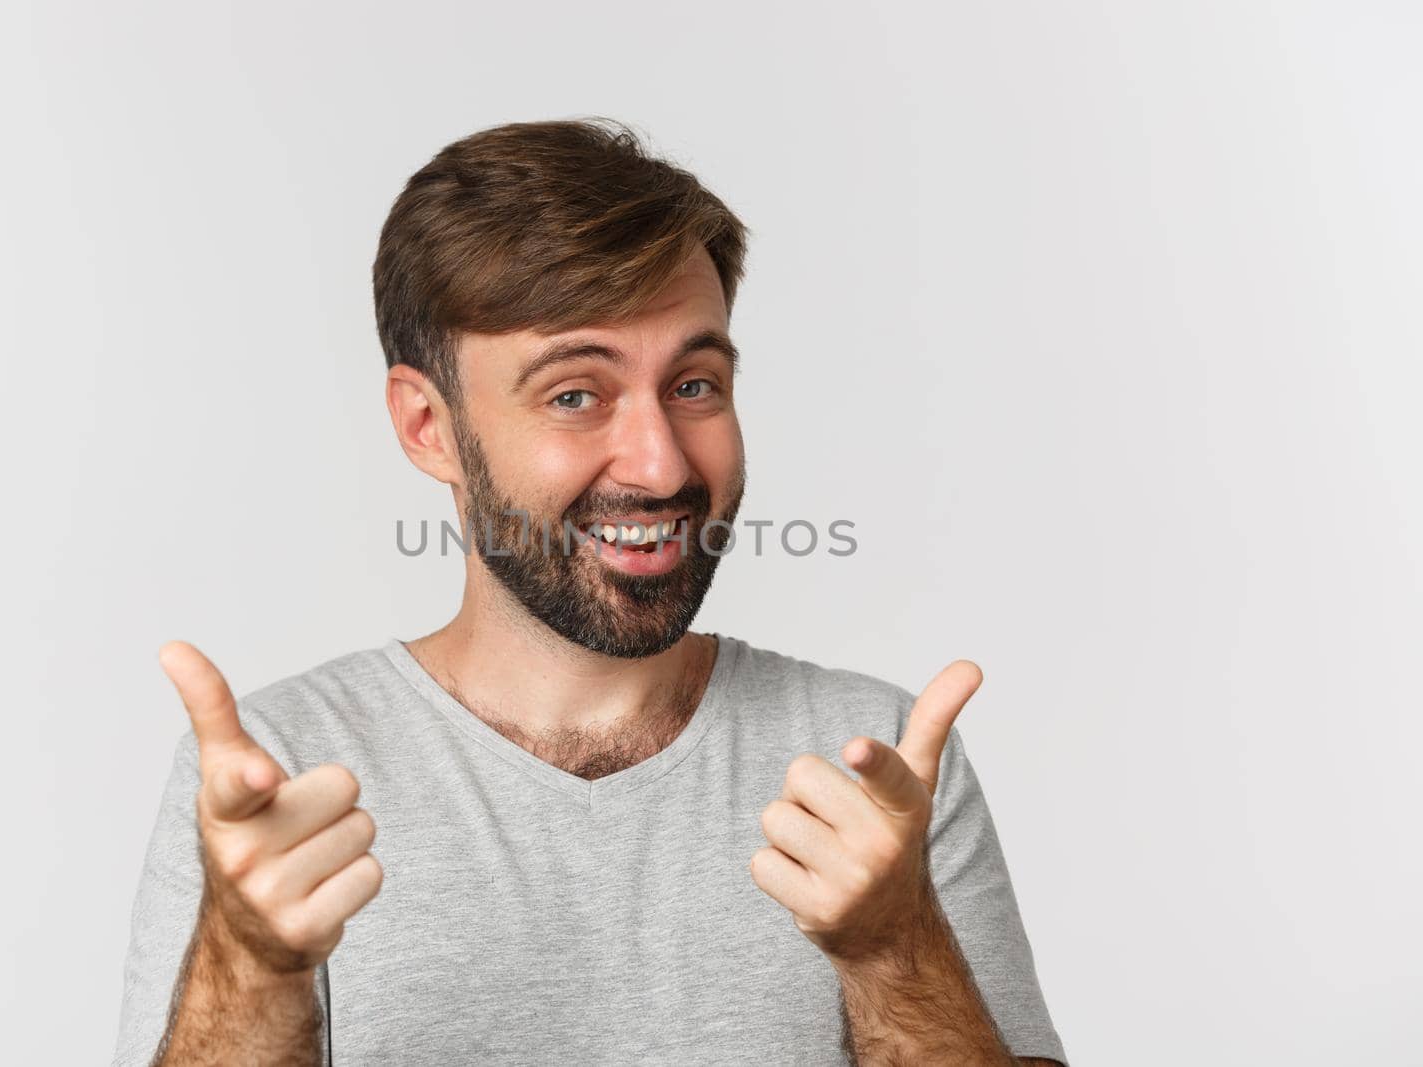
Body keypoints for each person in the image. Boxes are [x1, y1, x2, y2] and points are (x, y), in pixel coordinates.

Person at [113, 117, 1067, 1066]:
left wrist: (895, 948)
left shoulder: (876, 769)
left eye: (695, 385)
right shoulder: (281, 772)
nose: (658, 466)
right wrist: (250, 967)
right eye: (576, 394)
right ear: (426, 425)